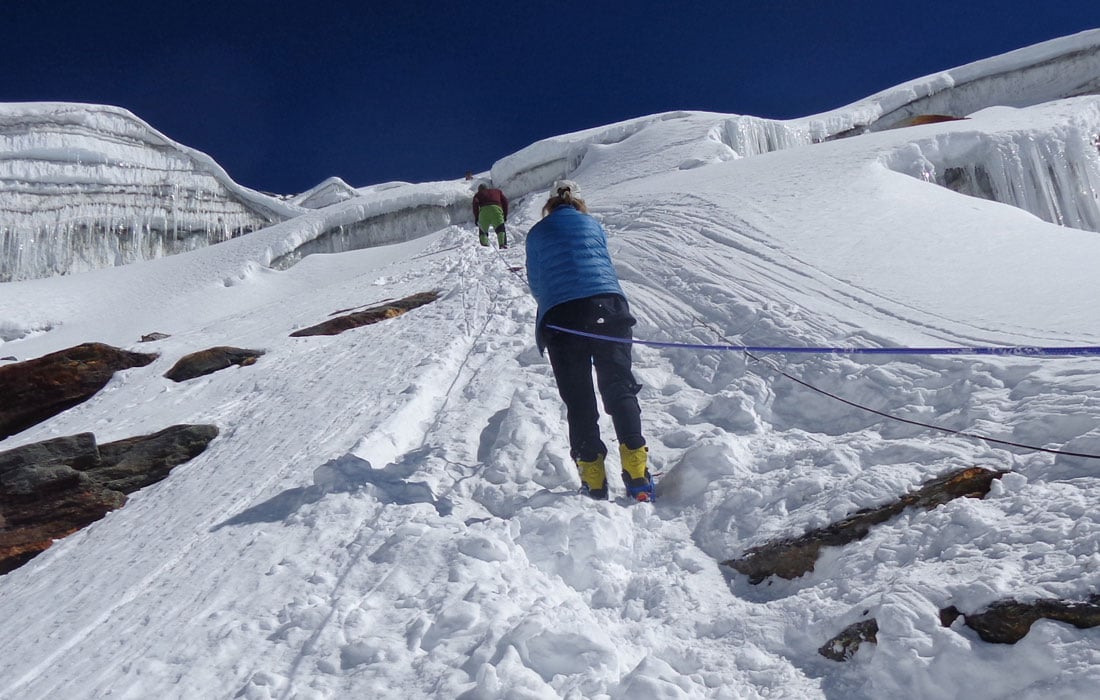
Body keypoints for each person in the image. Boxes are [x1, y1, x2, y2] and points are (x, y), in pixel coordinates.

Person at [524, 179, 653, 501]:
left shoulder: (537, 234)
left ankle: (594, 480)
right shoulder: (592, 224)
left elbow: (536, 284)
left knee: (579, 399)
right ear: (578, 202)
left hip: (562, 317)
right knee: (618, 385)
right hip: (608, 307)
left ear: (549, 205)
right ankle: (636, 470)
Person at [472, 183, 509, 248]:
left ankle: (484, 245)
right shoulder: (497, 191)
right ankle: (502, 244)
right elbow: (505, 201)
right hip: (496, 210)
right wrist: (505, 215)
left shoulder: (478, 194)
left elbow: (475, 204)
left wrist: (477, 218)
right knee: (500, 228)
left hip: (484, 212)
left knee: (483, 230)